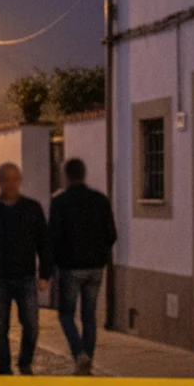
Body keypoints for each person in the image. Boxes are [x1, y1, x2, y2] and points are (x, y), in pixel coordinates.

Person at [0, 163, 52, 375]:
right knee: (0, 327)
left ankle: (25, 362)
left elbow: (44, 243)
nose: (10, 184)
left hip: (26, 277)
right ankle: (4, 368)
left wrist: (45, 274)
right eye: (6, 179)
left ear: (19, 181)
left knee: (32, 325)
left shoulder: (32, 209)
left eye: (14, 179)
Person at [49, 158, 117, 375]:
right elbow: (112, 234)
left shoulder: (60, 202)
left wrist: (51, 265)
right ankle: (87, 361)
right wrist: (100, 253)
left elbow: (53, 237)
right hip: (96, 267)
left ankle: (79, 354)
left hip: (70, 267)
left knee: (66, 314)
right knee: (89, 316)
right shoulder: (100, 200)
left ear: (66, 176)